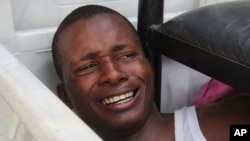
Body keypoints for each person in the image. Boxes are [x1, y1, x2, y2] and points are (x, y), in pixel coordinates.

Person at [51, 5, 250, 141]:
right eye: (88, 67)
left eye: (127, 56)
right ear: (65, 96)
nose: (113, 74)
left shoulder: (220, 128)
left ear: (150, 68)